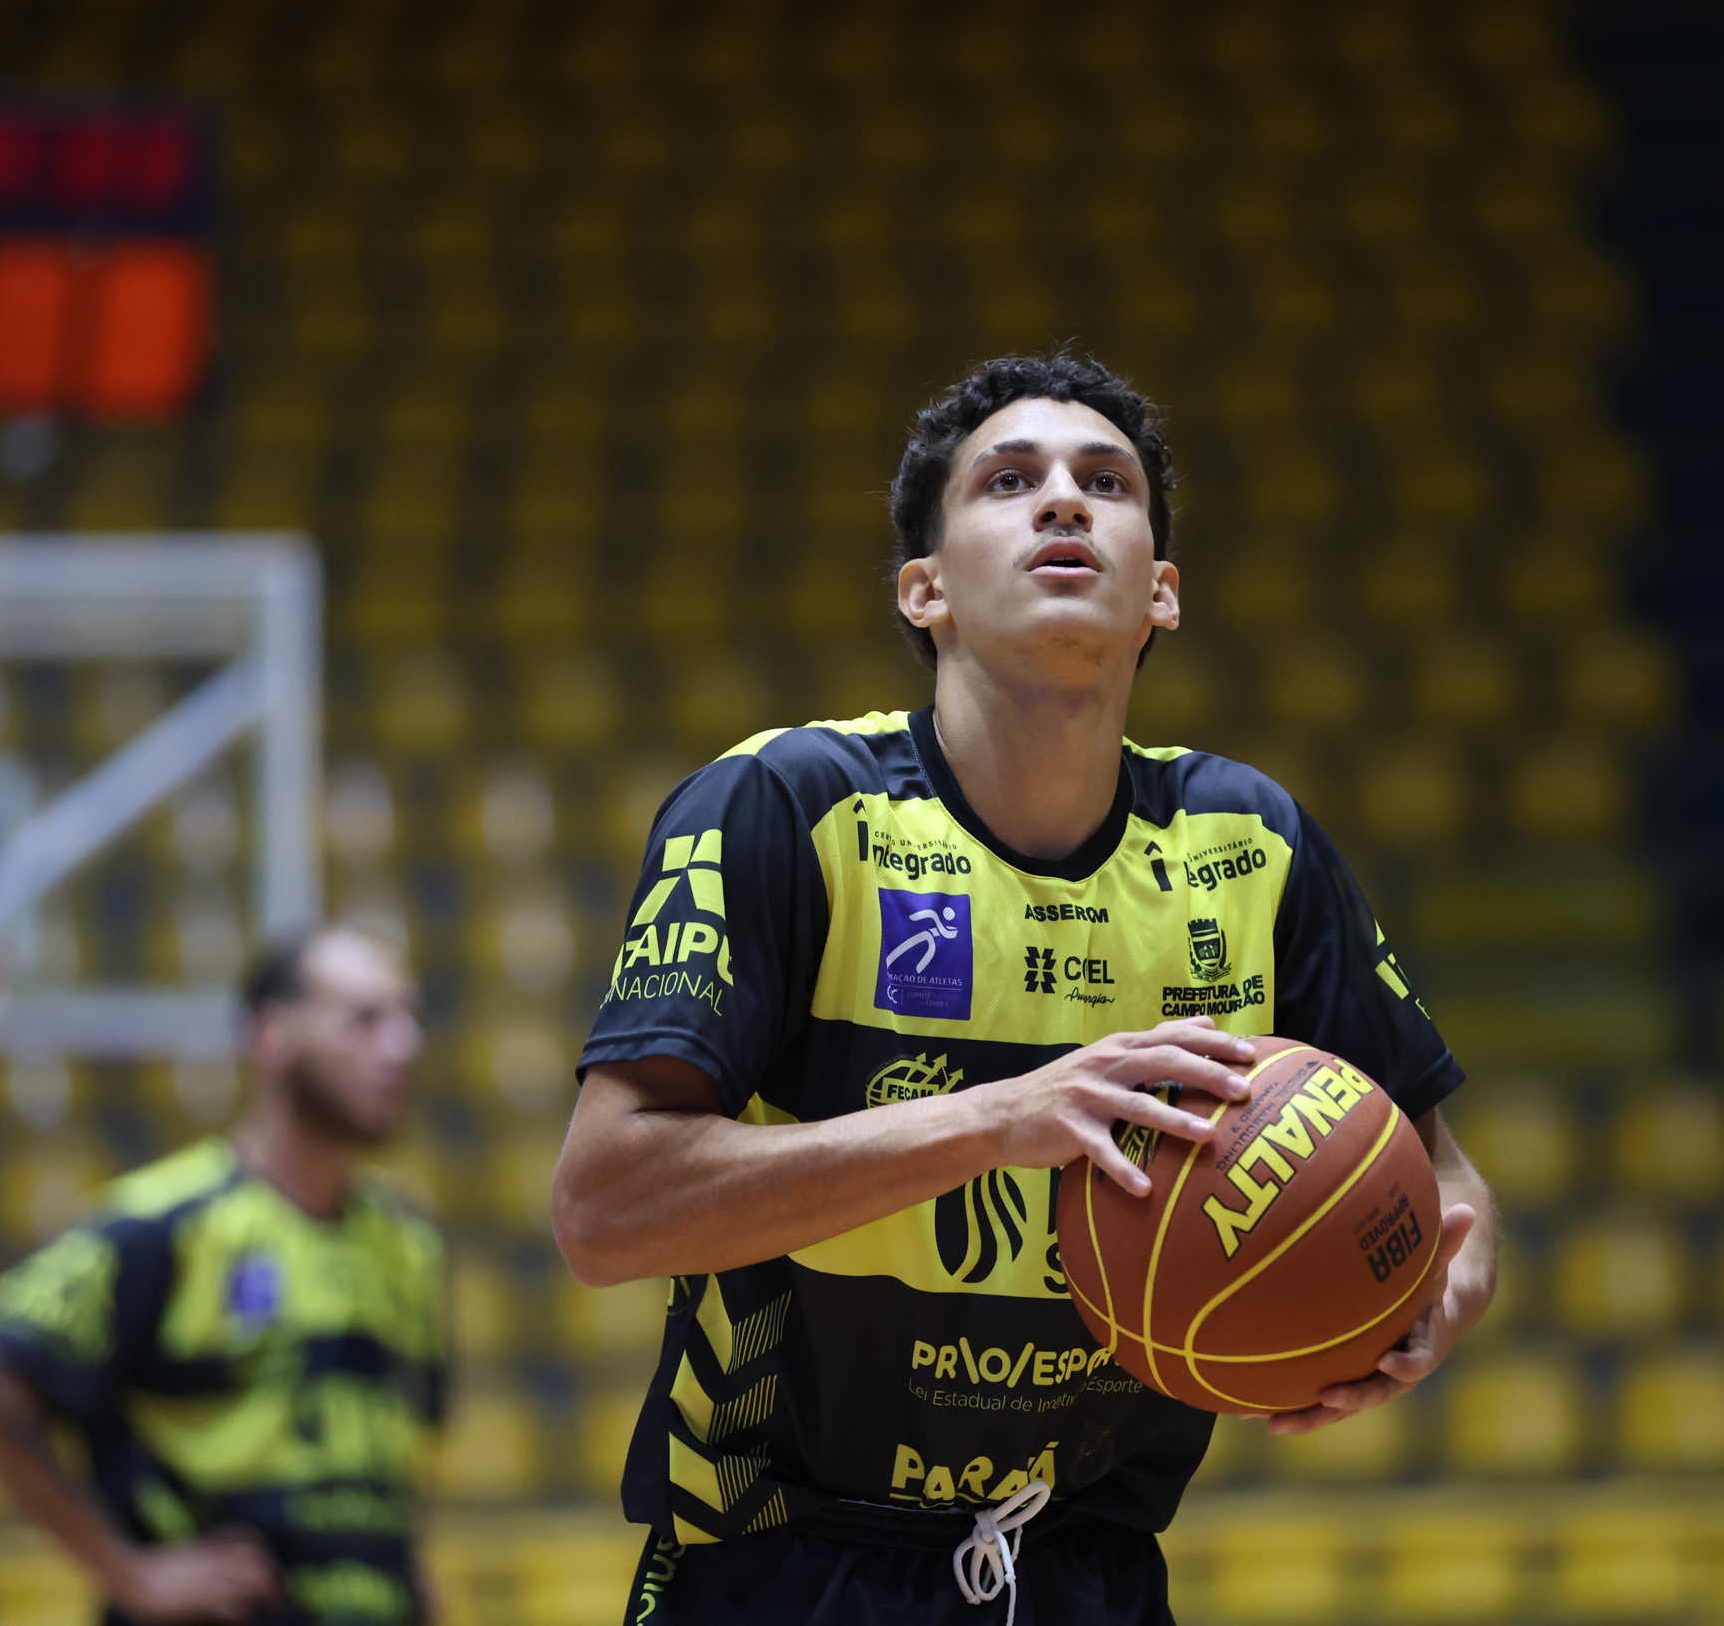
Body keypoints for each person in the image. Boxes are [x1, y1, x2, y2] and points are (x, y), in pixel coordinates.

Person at [555, 351, 1501, 1624]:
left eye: (1105, 482)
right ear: (925, 587)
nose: (1063, 498)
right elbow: (605, 1210)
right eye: (1008, 481)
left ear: (1161, 591)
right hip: (781, 1568)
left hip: (1087, 1575)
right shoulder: (785, 805)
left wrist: (1425, 1302)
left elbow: (1447, 1186)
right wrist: (999, 1119)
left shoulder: (1251, 844)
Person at [0, 926, 443, 1626]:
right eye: (365, 1019)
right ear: (272, 1034)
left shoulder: (411, 1245)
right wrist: (130, 1573)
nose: (403, 1045)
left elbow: (404, 1467)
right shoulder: (167, 1225)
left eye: (407, 1017)